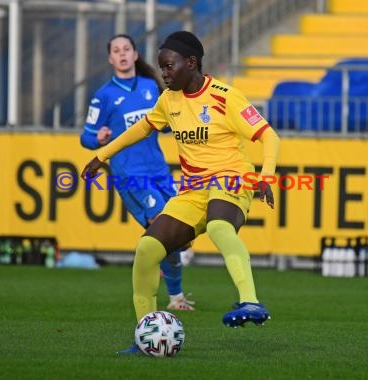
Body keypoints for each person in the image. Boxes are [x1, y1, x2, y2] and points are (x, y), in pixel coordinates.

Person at [81, 31, 280, 353]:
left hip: (232, 180)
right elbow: (142, 128)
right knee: (147, 249)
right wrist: (101, 155)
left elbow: (270, 137)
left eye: (169, 66)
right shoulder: (168, 100)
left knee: (218, 226)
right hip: (192, 191)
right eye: (161, 67)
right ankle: (143, 335)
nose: (164, 73)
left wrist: (266, 177)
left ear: (191, 63)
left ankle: (250, 302)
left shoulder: (225, 96)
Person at [80, 34, 195, 312]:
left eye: (126, 49)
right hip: (130, 175)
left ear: (135, 55)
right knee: (165, 228)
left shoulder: (150, 87)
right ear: (111, 58)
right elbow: (86, 137)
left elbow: (165, 123)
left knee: (181, 235)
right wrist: (99, 138)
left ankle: (176, 295)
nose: (121, 54)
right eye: (116, 50)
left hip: (159, 170)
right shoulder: (103, 96)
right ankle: (169, 294)